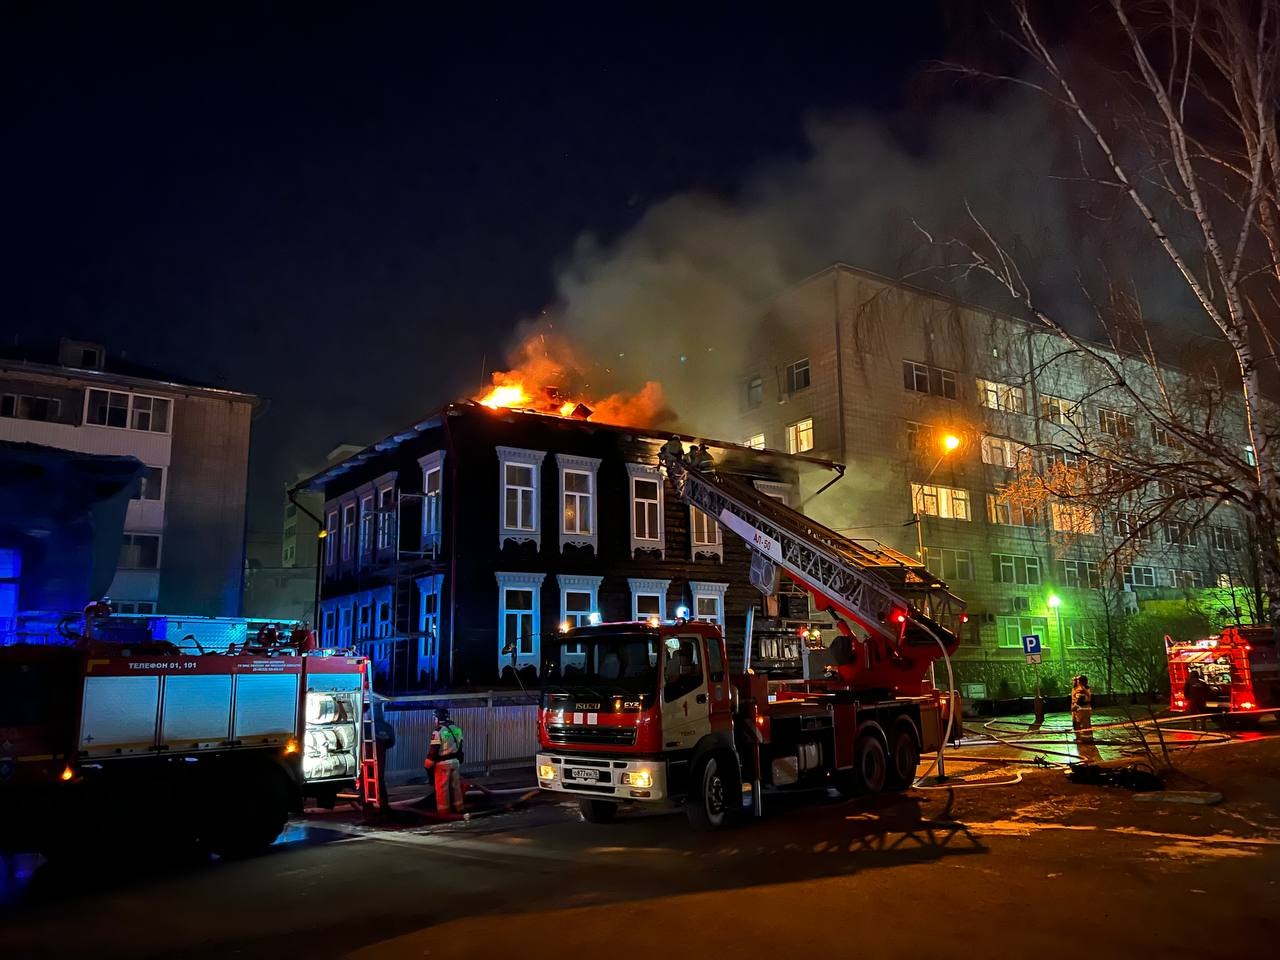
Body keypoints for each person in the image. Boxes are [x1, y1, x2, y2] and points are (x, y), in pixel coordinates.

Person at [423, 707, 464, 816]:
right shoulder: (457, 729)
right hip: (455, 763)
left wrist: (427, 764)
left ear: (438, 718)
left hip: (442, 765)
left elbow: (434, 750)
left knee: (442, 790)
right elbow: (460, 748)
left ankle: (444, 813)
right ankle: (459, 809)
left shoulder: (438, 732)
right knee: (456, 788)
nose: (434, 720)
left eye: (435, 718)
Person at [1071, 675, 1093, 741]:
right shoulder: (1078, 688)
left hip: (1082, 709)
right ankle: (1081, 737)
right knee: (1079, 724)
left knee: (1085, 725)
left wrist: (1075, 706)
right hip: (1079, 710)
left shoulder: (1082, 689)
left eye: (1077, 680)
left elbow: (1081, 699)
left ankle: (1086, 738)